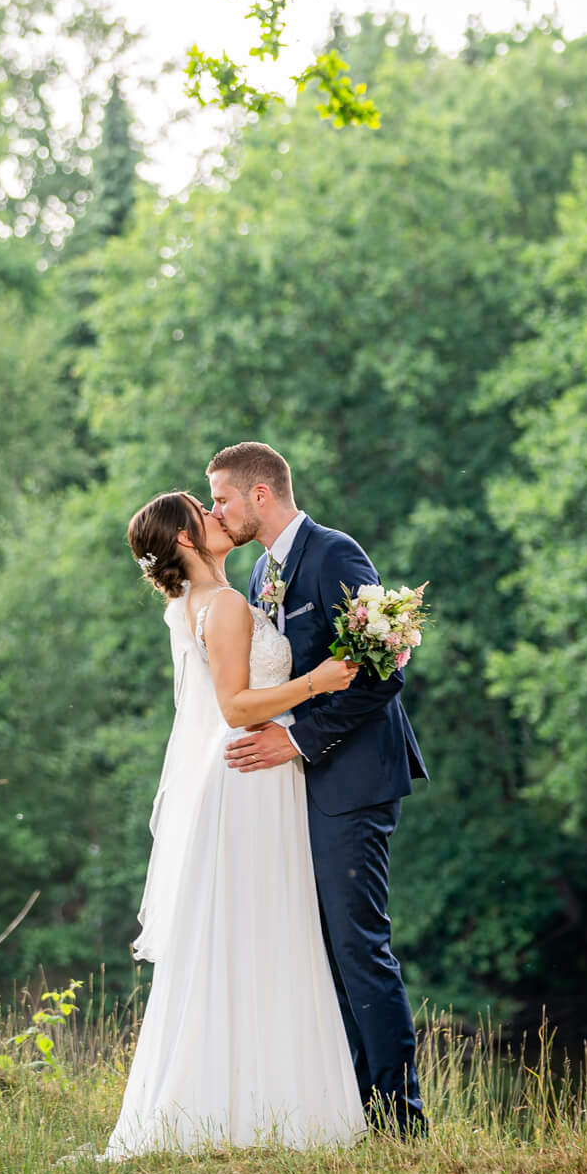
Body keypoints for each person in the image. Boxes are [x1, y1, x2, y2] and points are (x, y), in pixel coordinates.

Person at [102, 490, 366, 1160]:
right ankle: (257, 1110)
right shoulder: (219, 606)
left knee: (257, 935)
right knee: (264, 934)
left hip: (252, 782)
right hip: (249, 779)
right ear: (188, 539)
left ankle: (258, 1104)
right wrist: (321, 682)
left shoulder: (198, 603)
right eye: (206, 511)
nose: (219, 517)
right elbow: (236, 706)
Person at [207, 441, 429, 1134]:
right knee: (326, 951)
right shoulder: (256, 576)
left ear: (261, 494)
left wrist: (300, 739)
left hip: (355, 780)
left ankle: (402, 1121)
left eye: (222, 498)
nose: (217, 510)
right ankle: (355, 1112)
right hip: (299, 788)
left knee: (360, 947)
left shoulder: (334, 554)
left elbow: (385, 670)